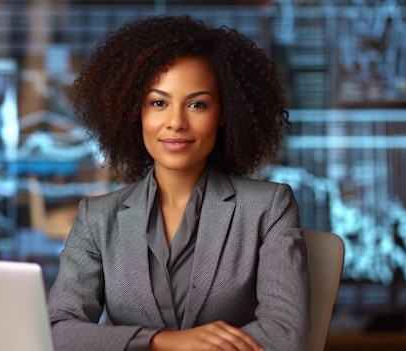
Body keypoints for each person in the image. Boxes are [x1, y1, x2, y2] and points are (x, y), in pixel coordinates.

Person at [47, 15, 310, 351]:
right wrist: (161, 342)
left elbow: (285, 333)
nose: (176, 122)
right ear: (135, 111)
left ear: (224, 113)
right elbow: (58, 330)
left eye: (197, 104)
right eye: (159, 103)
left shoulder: (268, 207)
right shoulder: (98, 218)